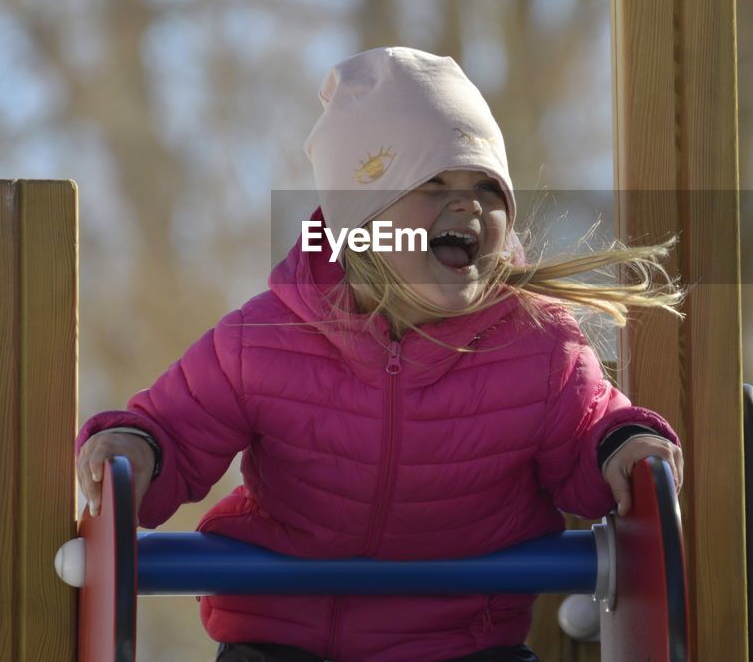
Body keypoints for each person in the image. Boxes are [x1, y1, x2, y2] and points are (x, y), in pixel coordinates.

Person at [76, 47, 685, 662]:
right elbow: (176, 431)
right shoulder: (264, 338)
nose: (468, 204)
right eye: (433, 183)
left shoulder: (538, 346)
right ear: (360, 223)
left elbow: (588, 438)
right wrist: (137, 448)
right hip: (284, 640)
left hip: (464, 644)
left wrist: (622, 446)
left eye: (487, 187)